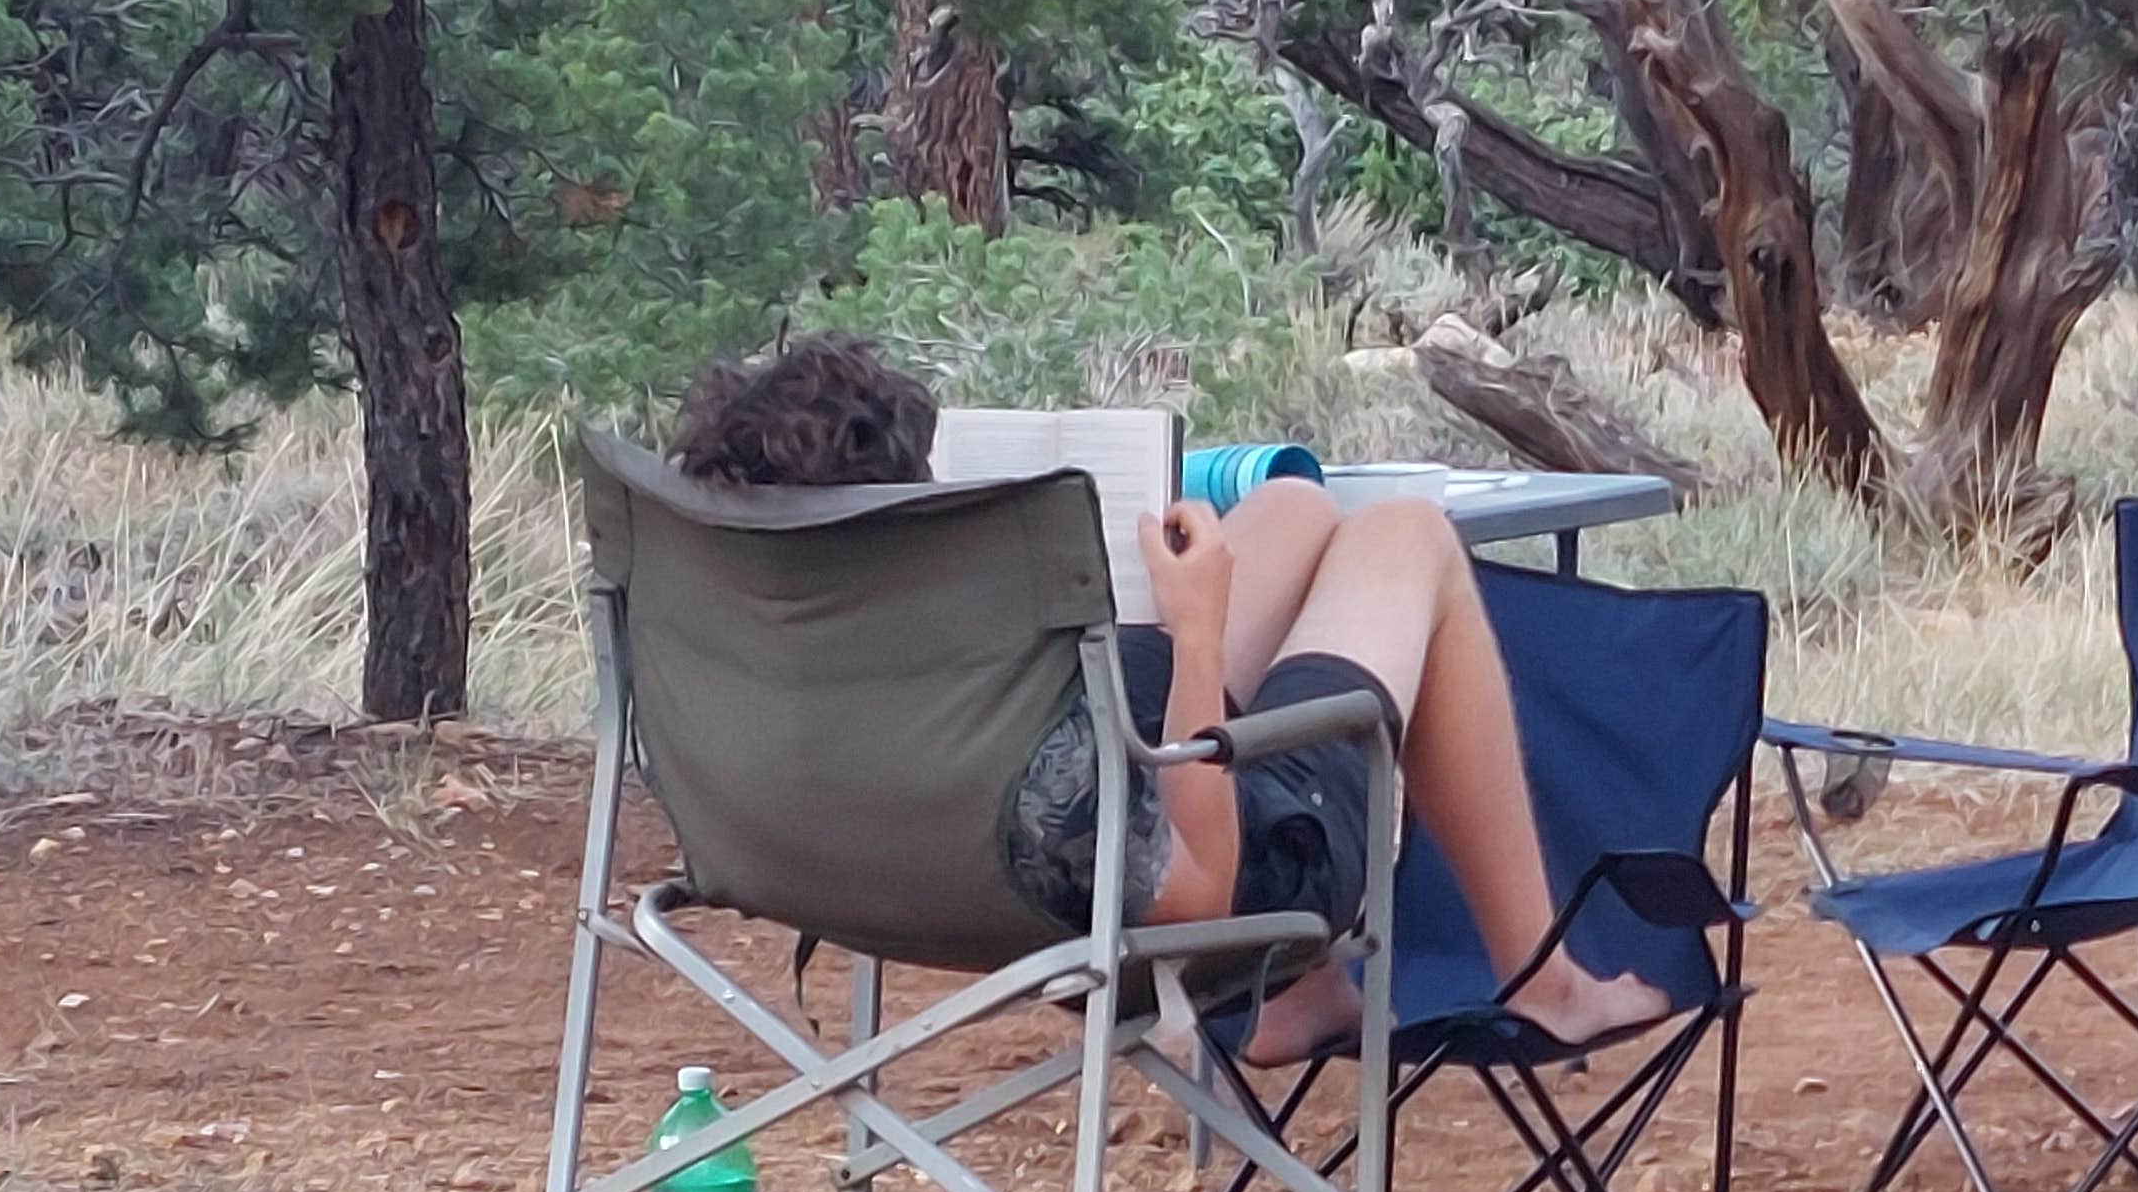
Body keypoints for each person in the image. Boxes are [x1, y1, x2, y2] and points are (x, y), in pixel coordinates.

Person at [665, 337, 1667, 1060]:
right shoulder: (1051, 810)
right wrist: (1194, 635)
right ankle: (1545, 980)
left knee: (1291, 508)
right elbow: (1196, 893)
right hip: (1157, 893)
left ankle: (1306, 1002)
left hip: (882, 858)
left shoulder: (776, 672)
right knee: (1404, 535)